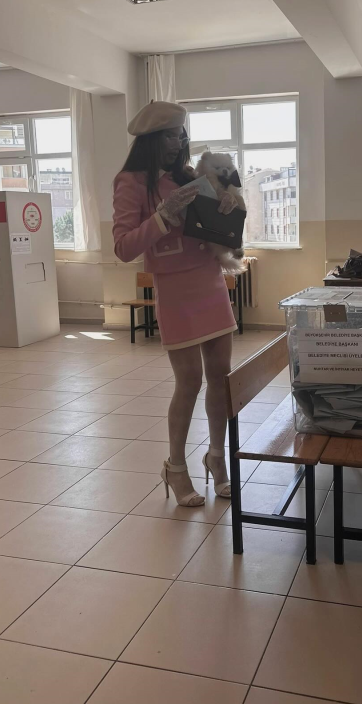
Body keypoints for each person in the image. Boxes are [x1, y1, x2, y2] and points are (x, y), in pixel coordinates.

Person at [113, 101, 241, 507]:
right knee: (189, 381)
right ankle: (175, 466)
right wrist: (162, 217)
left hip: (210, 280)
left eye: (181, 134)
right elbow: (123, 247)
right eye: (170, 135)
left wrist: (230, 207)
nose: (178, 142)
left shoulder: (191, 175)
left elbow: (225, 233)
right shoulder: (131, 181)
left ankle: (216, 457)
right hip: (174, 288)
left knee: (221, 376)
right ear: (152, 139)